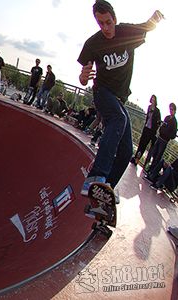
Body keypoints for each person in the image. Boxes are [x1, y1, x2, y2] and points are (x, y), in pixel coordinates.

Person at [78, 0, 164, 195]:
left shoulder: (126, 32)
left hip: (119, 99)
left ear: (114, 19)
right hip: (102, 94)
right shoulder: (93, 43)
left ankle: (104, 191)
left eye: (108, 22)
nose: (105, 28)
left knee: (126, 152)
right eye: (100, 23)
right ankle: (95, 177)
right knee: (119, 118)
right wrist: (83, 78)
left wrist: (156, 17)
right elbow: (84, 76)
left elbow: (147, 26)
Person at [144, 103, 177, 174]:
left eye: (172, 109)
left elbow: (173, 135)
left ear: (174, 110)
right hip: (159, 138)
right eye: (170, 109)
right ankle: (149, 169)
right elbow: (162, 126)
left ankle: (152, 172)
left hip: (164, 141)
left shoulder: (174, 122)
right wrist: (161, 130)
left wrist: (167, 134)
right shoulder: (167, 118)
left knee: (158, 157)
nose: (170, 111)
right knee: (154, 153)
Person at [131, 94, 161, 165]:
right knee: (141, 143)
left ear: (155, 101)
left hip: (151, 131)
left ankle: (137, 160)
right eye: (152, 99)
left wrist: (155, 129)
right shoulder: (149, 107)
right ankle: (135, 158)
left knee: (144, 145)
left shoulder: (157, 110)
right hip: (146, 128)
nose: (152, 101)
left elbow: (158, 122)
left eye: (154, 100)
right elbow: (148, 117)